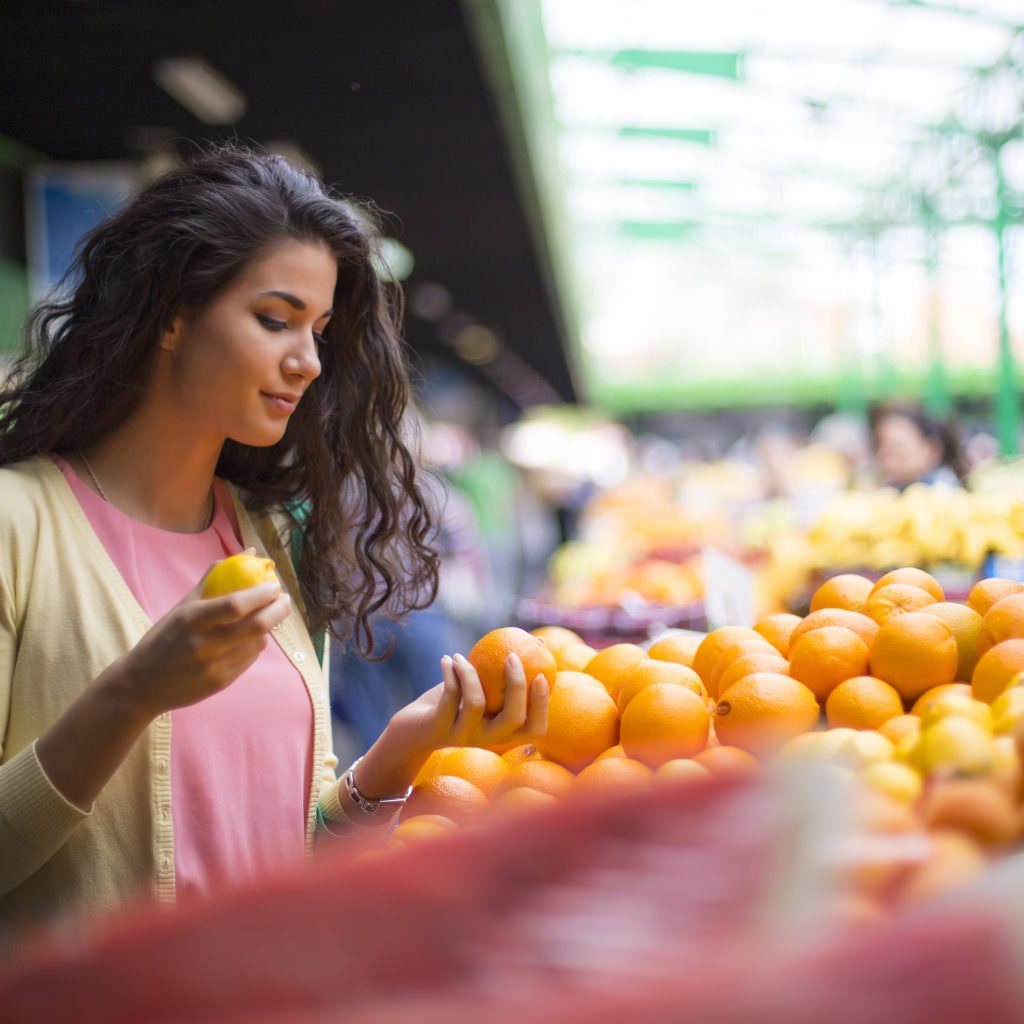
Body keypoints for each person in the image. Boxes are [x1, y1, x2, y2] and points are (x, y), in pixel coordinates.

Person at [0, 145, 548, 935]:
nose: (308, 362)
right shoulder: (18, 526)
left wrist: (403, 747)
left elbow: (287, 852)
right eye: (275, 320)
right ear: (170, 314)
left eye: (320, 330)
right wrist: (131, 694)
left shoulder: (269, 542)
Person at [869, 401, 966, 490]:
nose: (884, 456)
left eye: (896, 448)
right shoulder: (893, 491)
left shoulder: (942, 492)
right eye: (880, 445)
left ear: (931, 449)